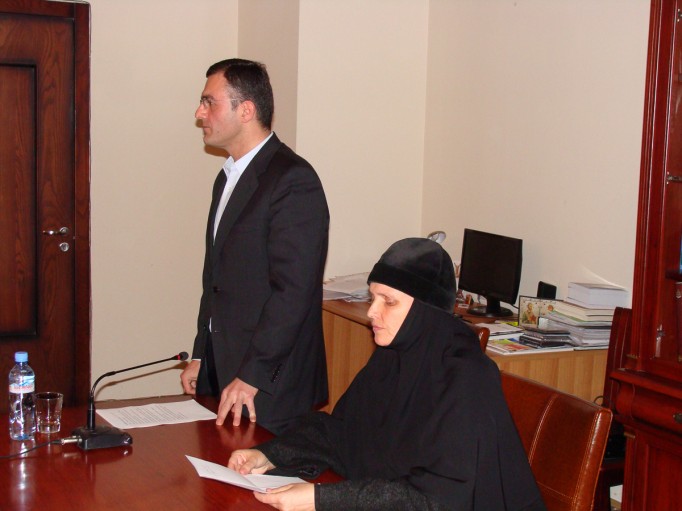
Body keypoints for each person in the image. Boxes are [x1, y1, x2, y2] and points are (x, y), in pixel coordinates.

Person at [228, 238, 546, 510]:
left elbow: (436, 499)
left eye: (388, 302)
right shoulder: (395, 354)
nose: (371, 312)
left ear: (425, 310)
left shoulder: (466, 379)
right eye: (373, 297)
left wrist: (321, 499)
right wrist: (269, 455)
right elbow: (342, 433)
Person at [180, 58, 329, 435]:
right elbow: (215, 279)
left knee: (259, 473)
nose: (199, 113)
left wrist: (252, 374)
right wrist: (201, 353)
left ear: (245, 110)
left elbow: (293, 293)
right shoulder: (227, 177)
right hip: (223, 365)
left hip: (268, 381)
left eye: (209, 102)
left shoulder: (293, 180)